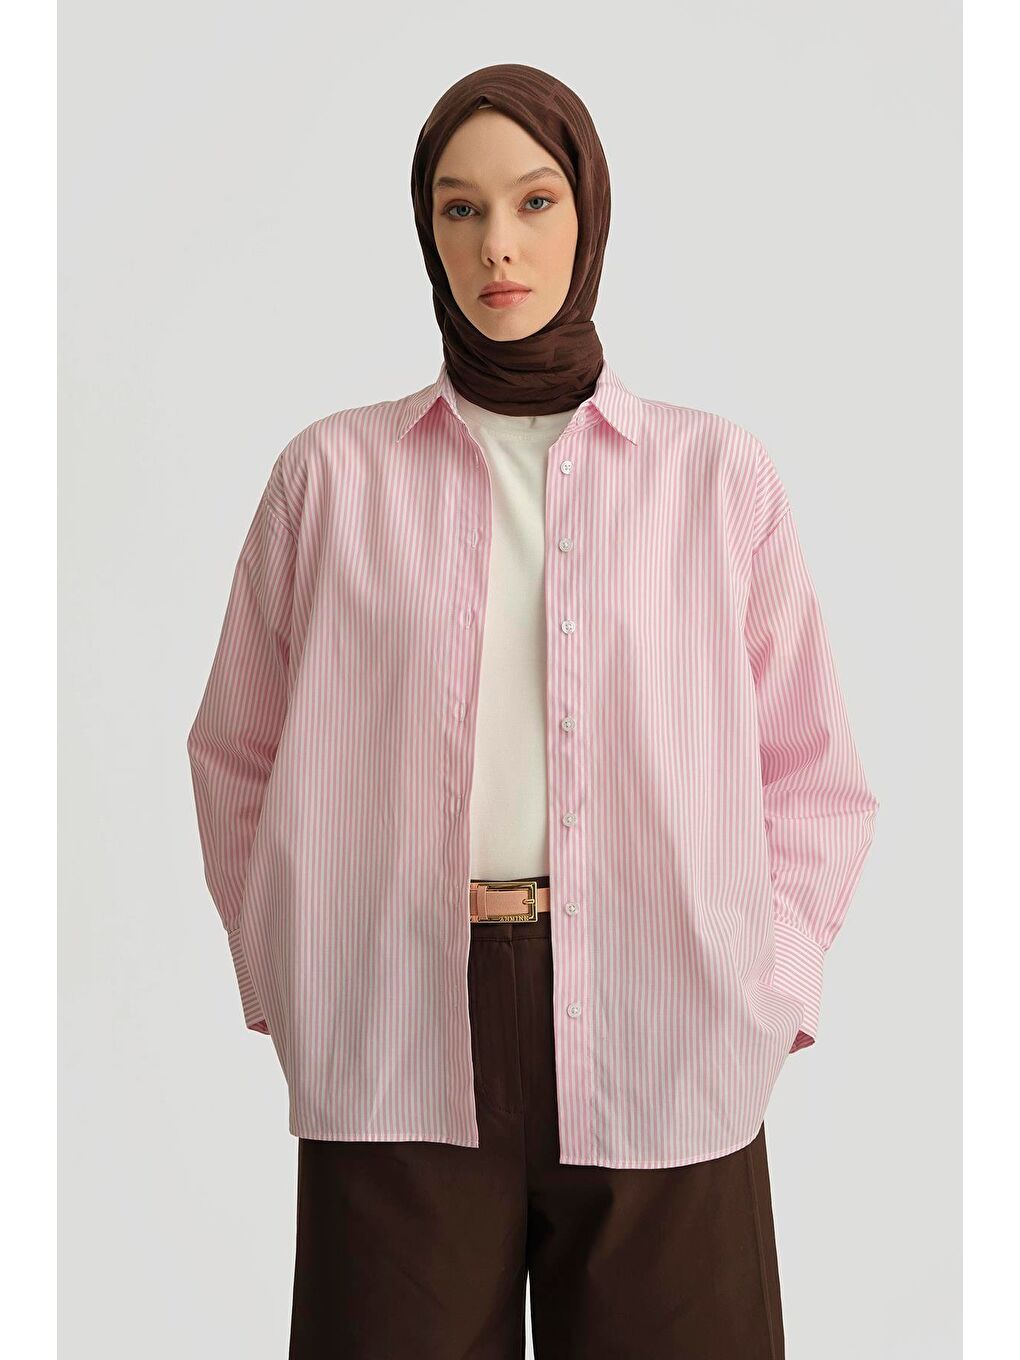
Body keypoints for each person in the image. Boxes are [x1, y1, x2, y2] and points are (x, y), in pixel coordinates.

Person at [186, 63, 879, 1359]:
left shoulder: (715, 478)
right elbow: (236, 752)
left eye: (534, 200)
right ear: (427, 230)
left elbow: (813, 770)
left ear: (589, 212)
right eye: (459, 208)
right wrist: (290, 978)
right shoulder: (329, 477)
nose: (497, 243)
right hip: (395, 1024)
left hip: (669, 1021)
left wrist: (766, 985)